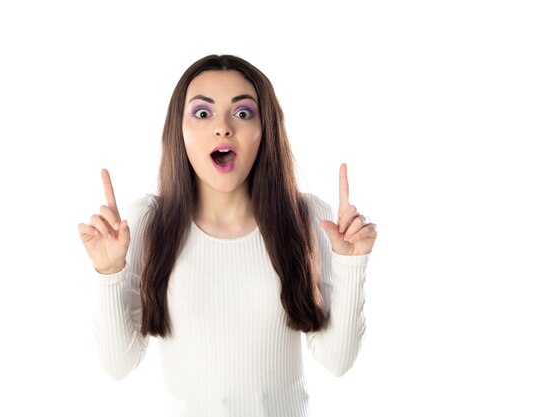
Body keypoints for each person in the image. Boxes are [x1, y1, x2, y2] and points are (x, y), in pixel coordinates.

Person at [78, 54, 377, 417]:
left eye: (243, 113)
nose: (223, 128)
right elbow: (118, 366)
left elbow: (337, 361)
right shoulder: (149, 222)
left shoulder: (307, 218)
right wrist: (109, 273)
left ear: (264, 129)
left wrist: (352, 262)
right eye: (202, 113)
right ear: (180, 130)